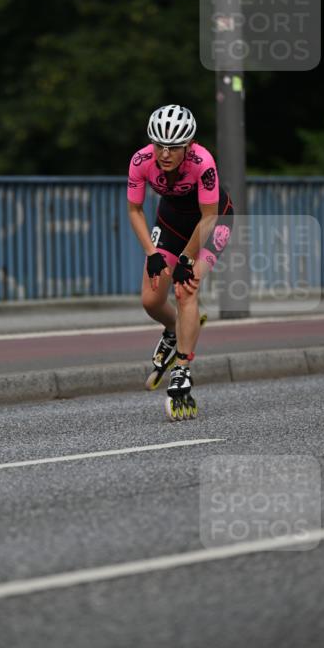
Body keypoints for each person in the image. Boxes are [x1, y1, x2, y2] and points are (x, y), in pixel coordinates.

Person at [127, 104, 234, 419]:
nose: (165, 153)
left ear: (189, 145)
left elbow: (210, 216)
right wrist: (152, 254)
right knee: (150, 298)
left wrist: (187, 259)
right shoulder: (141, 161)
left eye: (174, 146)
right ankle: (174, 329)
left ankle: (183, 368)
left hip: (213, 222)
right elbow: (134, 211)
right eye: (159, 145)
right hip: (172, 222)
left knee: (186, 289)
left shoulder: (204, 163)